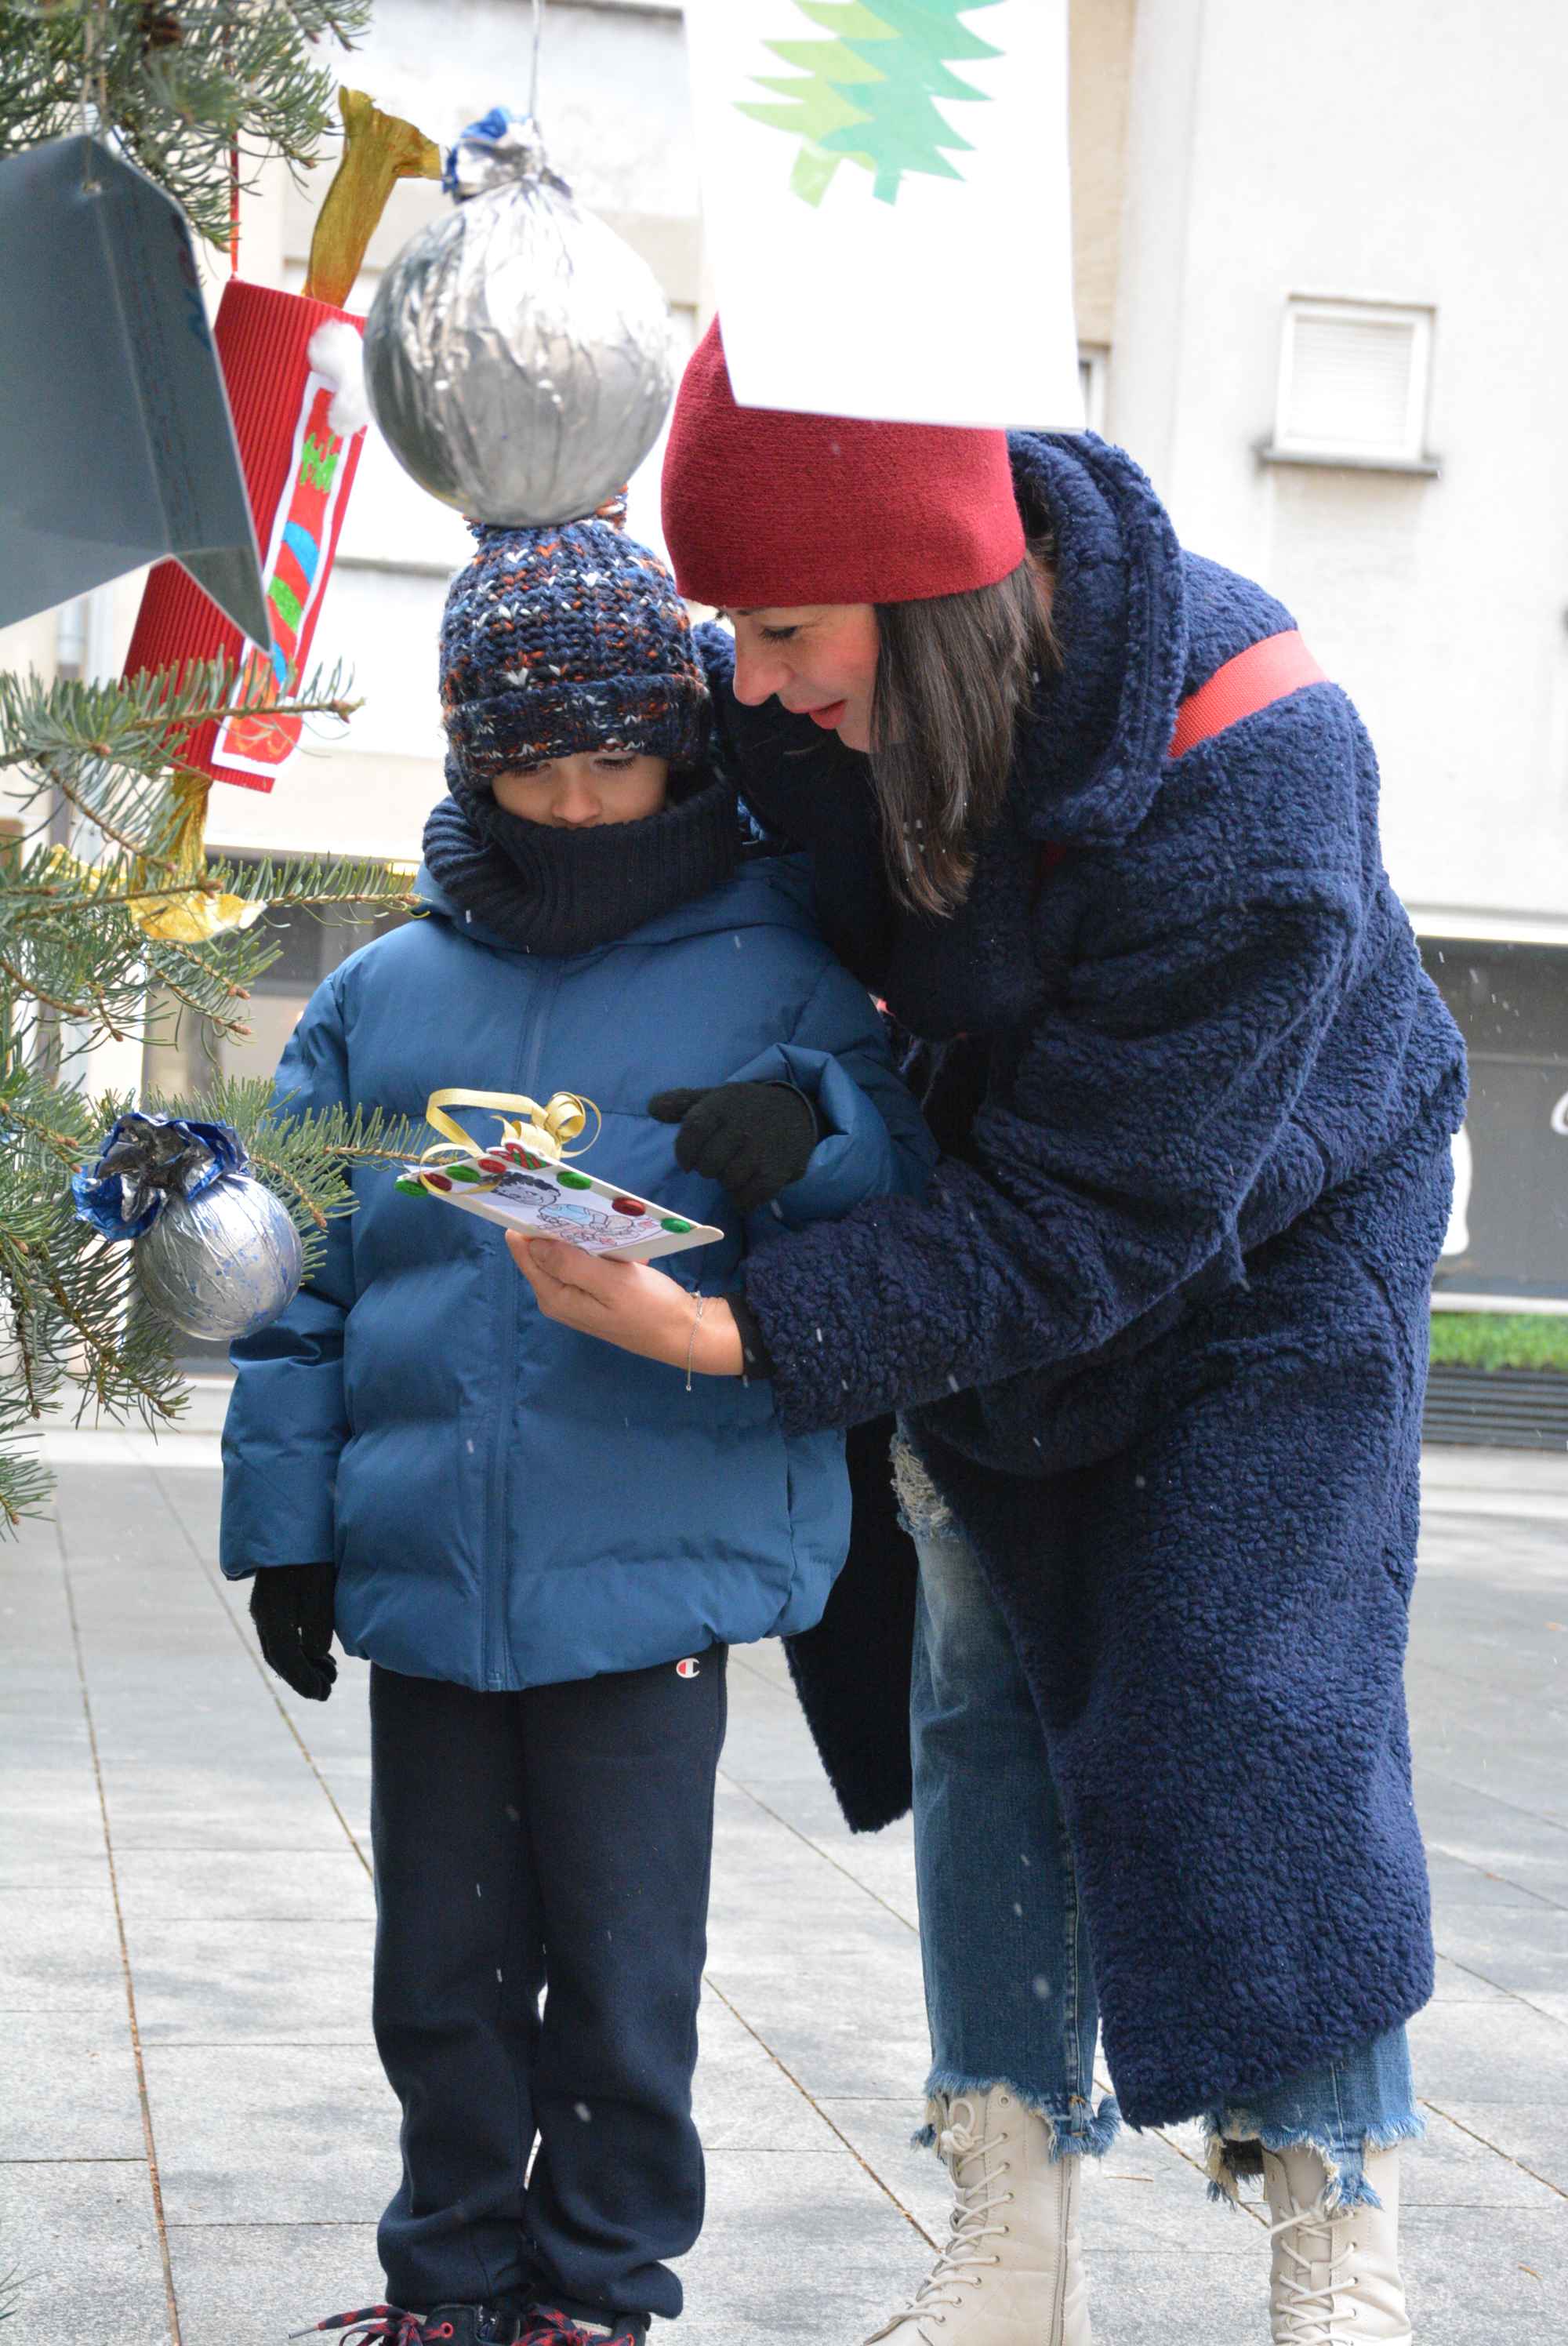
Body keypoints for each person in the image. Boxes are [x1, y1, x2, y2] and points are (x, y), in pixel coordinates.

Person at [504, 324, 1468, 2346]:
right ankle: (1009, 2237)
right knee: (976, 1679)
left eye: (779, 629)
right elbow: (626, 850)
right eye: (731, 633)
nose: (746, 684)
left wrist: (732, 1327)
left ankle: (1339, 2230)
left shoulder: (1256, 750)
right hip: (982, 1204)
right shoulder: (786, 699)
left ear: (927, 591)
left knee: (1252, 1685)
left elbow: (1103, 1210)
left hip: (1279, 1222)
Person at [220, 504, 935, 2346]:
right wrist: (288, 1529)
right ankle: (446, 2274)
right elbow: (304, 1274)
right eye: (531, 767)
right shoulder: (384, 992)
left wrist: (814, 1127)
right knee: (439, 1967)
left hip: (649, 1571)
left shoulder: (775, 964)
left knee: (625, 1967)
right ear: (473, 758)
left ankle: (597, 2283)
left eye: (617, 759)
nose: (580, 803)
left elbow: (905, 1178)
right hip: (432, 1568)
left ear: (683, 744)